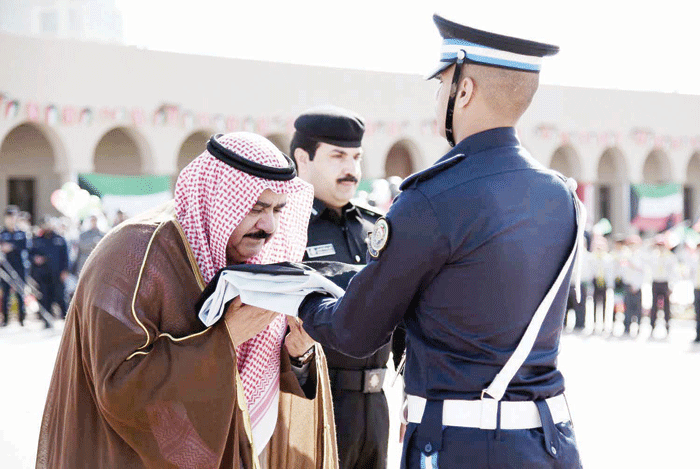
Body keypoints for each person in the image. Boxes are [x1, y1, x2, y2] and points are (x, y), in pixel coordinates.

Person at [294, 14, 584, 468]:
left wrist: (303, 299)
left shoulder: (431, 199)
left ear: (463, 91)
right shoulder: (561, 196)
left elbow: (355, 330)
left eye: (442, 84)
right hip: (549, 442)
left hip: (463, 447)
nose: (438, 98)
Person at [36, 132, 338, 468]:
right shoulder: (133, 253)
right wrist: (224, 339)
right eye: (256, 208)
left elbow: (257, 373)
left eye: (278, 210)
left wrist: (298, 354)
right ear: (217, 200)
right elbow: (118, 387)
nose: (269, 227)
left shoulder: (256, 259)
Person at [292, 106, 403, 469]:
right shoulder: (286, 228)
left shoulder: (376, 226)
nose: (352, 169)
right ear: (303, 159)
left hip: (376, 406)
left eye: (356, 157)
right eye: (338, 156)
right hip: (314, 403)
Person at [30, 216, 70, 320]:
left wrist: (65, 271)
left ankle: (66, 319)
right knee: (45, 297)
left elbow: (65, 257)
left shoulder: (59, 239)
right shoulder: (37, 240)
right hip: (43, 274)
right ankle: (47, 320)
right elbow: (31, 254)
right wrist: (36, 259)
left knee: (60, 297)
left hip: (57, 274)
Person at [1, 205, 28, 326]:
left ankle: (22, 319)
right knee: (5, 293)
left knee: (20, 292)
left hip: (19, 267)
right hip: (5, 268)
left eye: (13, 217)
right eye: (9, 217)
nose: (11, 219)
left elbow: (26, 248)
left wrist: (11, 247)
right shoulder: (2, 233)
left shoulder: (22, 233)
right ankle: (6, 320)